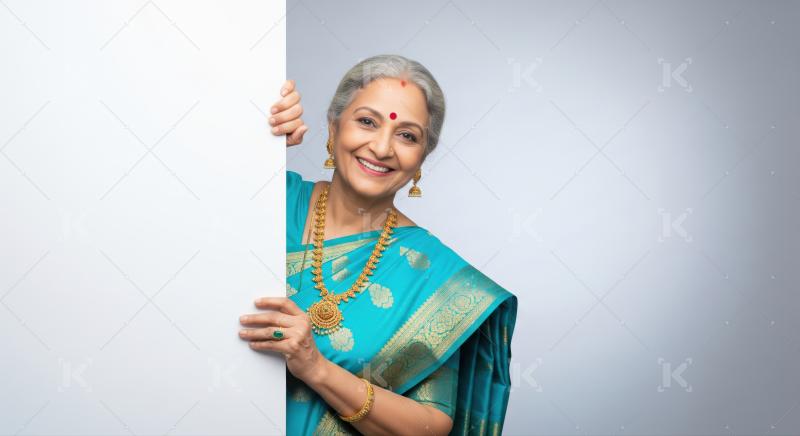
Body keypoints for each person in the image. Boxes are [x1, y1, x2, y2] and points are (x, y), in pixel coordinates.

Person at [239, 54, 518, 435]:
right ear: (333, 128)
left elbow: (430, 426)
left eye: (407, 135)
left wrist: (316, 368)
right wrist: (250, 141)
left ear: (422, 157)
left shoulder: (433, 276)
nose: (383, 147)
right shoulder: (268, 197)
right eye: (367, 122)